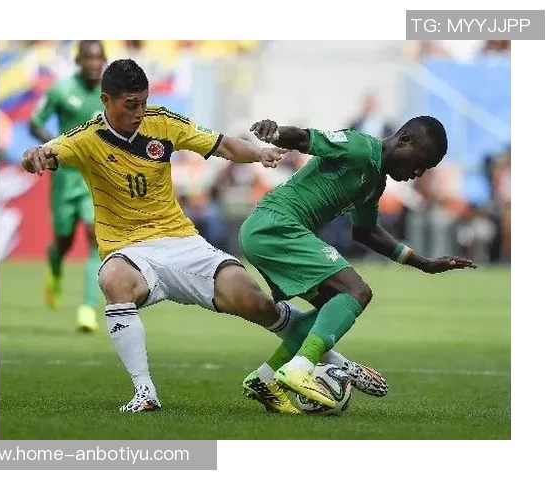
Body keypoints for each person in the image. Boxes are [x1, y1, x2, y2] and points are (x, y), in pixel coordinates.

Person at [20, 59, 381, 414]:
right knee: (113, 278)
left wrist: (259, 152)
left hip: (182, 242)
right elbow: (43, 153)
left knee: (256, 303)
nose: (140, 112)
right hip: (129, 250)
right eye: (131, 105)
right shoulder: (85, 138)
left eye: (144, 102)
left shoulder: (163, 121)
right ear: (106, 101)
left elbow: (223, 145)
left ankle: (335, 361)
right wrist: (34, 156)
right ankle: (144, 392)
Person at [240, 118, 477, 408]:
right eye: (420, 162)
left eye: (425, 169)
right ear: (404, 140)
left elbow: (366, 231)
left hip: (272, 231)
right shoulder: (360, 147)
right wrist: (275, 132)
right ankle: (300, 368)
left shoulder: (376, 181)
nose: (417, 172)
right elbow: (304, 139)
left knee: (334, 307)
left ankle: (265, 378)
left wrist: (423, 263)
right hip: (276, 225)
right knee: (357, 292)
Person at [29, 40, 107, 333]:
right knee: (64, 240)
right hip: (64, 177)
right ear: (79, 61)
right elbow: (35, 122)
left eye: (98, 58)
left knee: (95, 237)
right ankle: (55, 265)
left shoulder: (110, 94)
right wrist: (52, 147)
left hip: (95, 176)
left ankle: (87, 308)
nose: (94, 63)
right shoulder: (61, 90)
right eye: (88, 58)